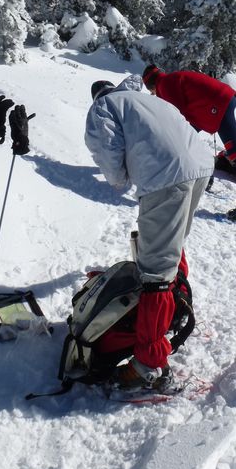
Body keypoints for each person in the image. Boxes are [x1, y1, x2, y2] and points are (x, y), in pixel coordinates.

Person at [84, 74, 213, 391]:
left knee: (155, 271)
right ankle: (177, 303)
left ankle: (149, 367)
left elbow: (109, 156)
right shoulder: (144, 98)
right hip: (200, 166)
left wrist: (120, 178)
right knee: (172, 242)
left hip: (165, 175)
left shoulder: (104, 107)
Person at [142, 64, 236, 221]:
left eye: (151, 91)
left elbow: (178, 117)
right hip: (223, 98)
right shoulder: (172, 79)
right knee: (190, 139)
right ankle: (205, 175)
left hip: (218, 103)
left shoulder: (165, 85)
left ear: (151, 85)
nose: (153, 94)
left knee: (233, 151)